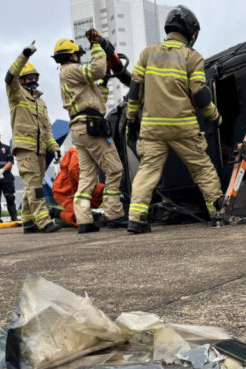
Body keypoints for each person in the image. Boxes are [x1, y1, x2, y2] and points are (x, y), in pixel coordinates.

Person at [125, 5, 223, 234]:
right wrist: (215, 116)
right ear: (190, 31)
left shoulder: (148, 53)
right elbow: (199, 93)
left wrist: (131, 120)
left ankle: (136, 218)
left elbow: (135, 89)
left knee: (147, 171)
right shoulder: (192, 57)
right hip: (182, 127)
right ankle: (217, 211)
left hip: (152, 129)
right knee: (201, 168)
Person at [54, 32, 128, 233]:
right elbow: (97, 69)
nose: (78, 57)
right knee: (114, 169)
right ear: (72, 55)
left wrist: (103, 83)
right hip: (90, 126)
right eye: (77, 54)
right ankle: (114, 214)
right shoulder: (70, 70)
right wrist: (97, 45)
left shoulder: (69, 75)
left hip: (81, 128)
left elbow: (97, 98)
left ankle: (84, 220)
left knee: (87, 176)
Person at [5, 41, 61, 234]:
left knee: (32, 185)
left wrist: (54, 147)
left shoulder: (41, 102)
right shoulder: (16, 95)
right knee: (35, 185)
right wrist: (25, 55)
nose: (31, 80)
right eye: (27, 78)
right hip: (25, 149)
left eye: (34, 77)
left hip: (40, 150)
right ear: (21, 80)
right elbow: (9, 77)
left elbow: (47, 129)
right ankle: (43, 220)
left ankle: (28, 221)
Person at [51, 146, 105, 227]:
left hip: (72, 187)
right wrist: (79, 191)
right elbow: (74, 170)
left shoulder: (85, 150)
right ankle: (56, 215)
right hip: (63, 191)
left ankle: (97, 215)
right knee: (80, 217)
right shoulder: (79, 151)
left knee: (104, 191)